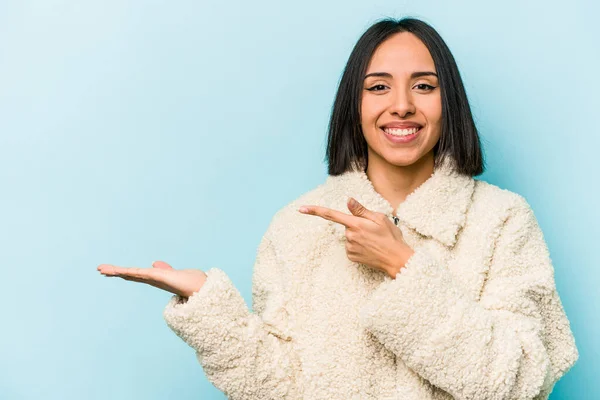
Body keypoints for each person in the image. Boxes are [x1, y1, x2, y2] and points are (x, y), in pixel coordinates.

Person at [97, 17, 579, 399]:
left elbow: (522, 382)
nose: (403, 105)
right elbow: (277, 388)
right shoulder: (297, 225)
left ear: (449, 103)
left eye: (425, 86)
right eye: (379, 87)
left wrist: (403, 265)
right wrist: (210, 310)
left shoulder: (503, 220)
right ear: (355, 104)